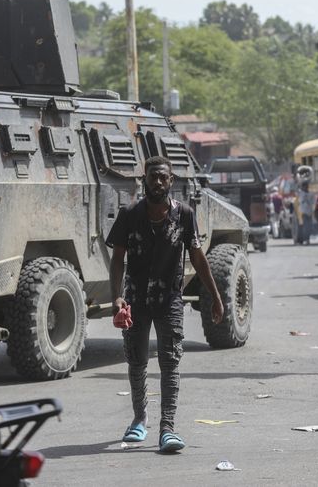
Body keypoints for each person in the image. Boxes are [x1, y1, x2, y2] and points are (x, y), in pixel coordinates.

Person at [106, 156, 223, 453]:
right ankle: (139, 419)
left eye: (163, 177)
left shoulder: (184, 215)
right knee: (136, 360)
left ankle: (167, 428)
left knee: (170, 362)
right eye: (153, 177)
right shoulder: (129, 214)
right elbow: (118, 258)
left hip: (169, 299)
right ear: (144, 179)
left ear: (171, 181)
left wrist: (215, 296)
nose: (158, 182)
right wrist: (116, 296)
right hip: (135, 301)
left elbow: (197, 256)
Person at [294, 179, 316, 245]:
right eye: (304, 186)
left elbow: (313, 202)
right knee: (303, 227)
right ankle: (302, 240)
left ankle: (306, 239)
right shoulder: (300, 193)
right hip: (302, 213)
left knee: (308, 227)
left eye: (306, 186)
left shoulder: (311, 194)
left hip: (309, 212)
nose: (305, 187)